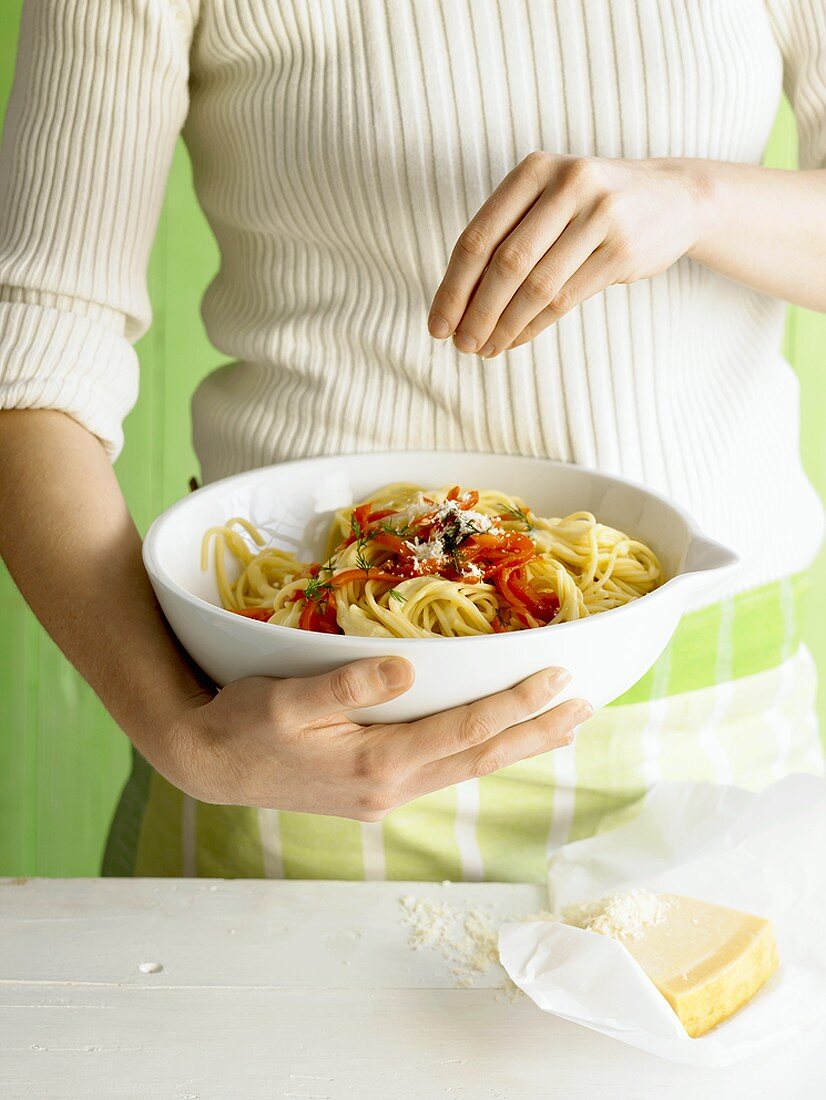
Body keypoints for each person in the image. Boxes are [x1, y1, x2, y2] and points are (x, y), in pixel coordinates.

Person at [0, 0, 823, 882]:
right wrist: (182, 738)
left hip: (709, 723)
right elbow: (31, 357)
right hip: (299, 727)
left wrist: (702, 201)